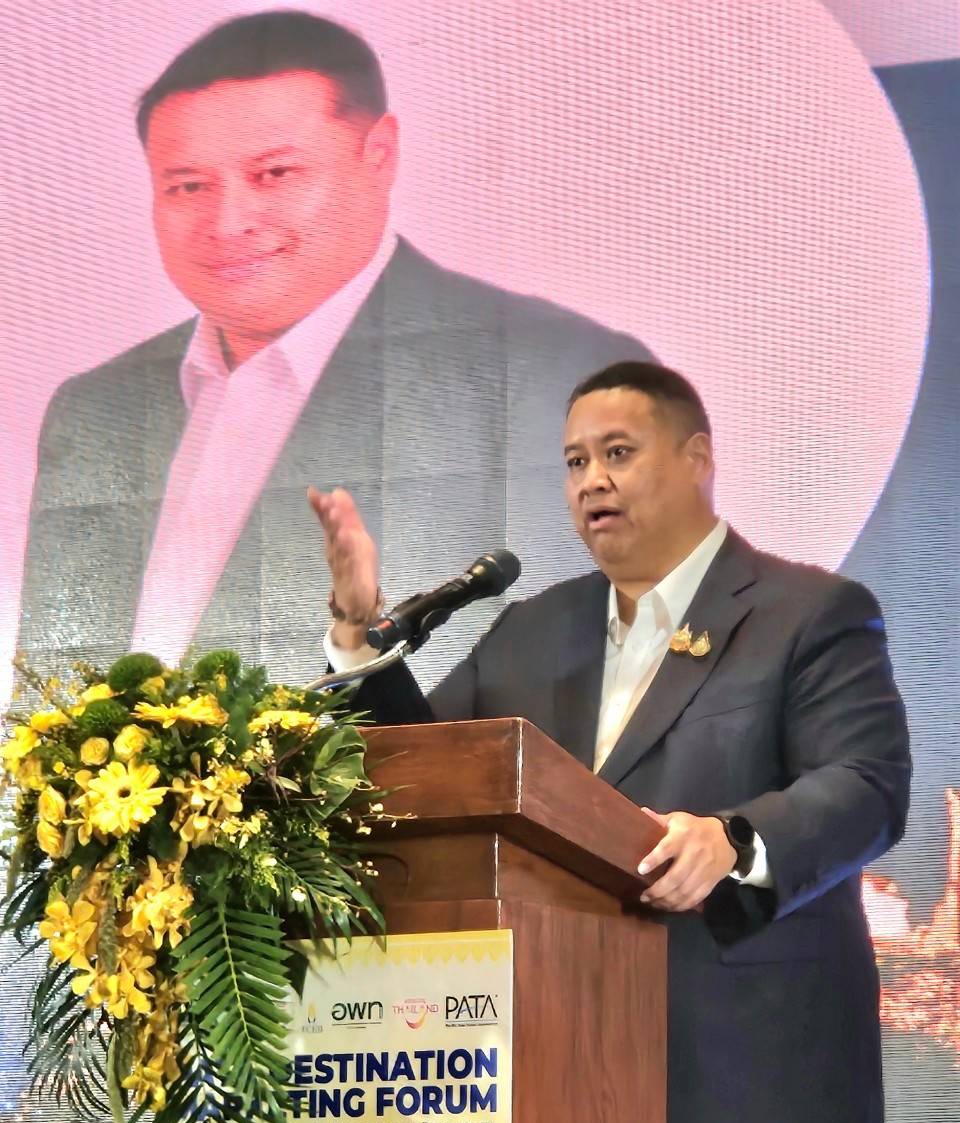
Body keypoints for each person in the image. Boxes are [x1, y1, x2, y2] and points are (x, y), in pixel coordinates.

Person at [309, 360, 912, 1123]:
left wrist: (734, 840)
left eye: (618, 453)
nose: (592, 480)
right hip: (563, 1086)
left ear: (696, 458)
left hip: (749, 1084)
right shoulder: (531, 630)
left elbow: (867, 785)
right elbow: (426, 771)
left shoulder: (809, 613)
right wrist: (358, 641)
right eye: (575, 462)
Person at [17, 9, 650, 680]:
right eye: (189, 186)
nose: (228, 223)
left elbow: (586, 671)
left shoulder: (551, 374)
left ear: (378, 157)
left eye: (274, 174)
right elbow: (41, 693)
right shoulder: (95, 409)